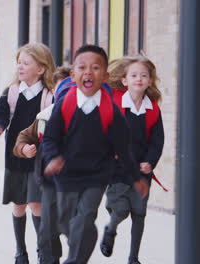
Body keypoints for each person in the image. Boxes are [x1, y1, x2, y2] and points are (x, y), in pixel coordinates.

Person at [41, 44, 149, 264]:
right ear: (73, 74)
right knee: (66, 222)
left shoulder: (111, 111)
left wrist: (136, 178)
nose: (88, 72)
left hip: (97, 175)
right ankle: (83, 242)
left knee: (86, 215)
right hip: (67, 174)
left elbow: (123, 148)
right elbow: (51, 138)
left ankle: (75, 260)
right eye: (82, 67)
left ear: (106, 76)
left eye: (95, 68)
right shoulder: (64, 105)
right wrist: (53, 158)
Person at [0, 42, 56, 264]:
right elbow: (0, 114)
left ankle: (43, 250)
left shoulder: (49, 95)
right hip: (15, 156)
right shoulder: (12, 92)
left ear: (41, 68)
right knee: (19, 204)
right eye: (18, 62)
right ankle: (20, 250)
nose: (20, 66)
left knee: (36, 204)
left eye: (26, 63)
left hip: (39, 158)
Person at [100, 56, 164, 264]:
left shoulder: (152, 109)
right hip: (118, 169)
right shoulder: (115, 105)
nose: (139, 78)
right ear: (125, 80)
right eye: (134, 75)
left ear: (149, 81)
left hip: (142, 171)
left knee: (139, 214)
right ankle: (111, 228)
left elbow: (157, 140)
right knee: (120, 209)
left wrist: (150, 162)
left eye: (144, 75)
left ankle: (133, 258)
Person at [13, 66, 71, 264]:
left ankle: (55, 248)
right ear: (54, 91)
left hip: (71, 181)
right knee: (42, 214)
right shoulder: (45, 116)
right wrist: (24, 148)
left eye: (71, 88)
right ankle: (48, 255)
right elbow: (23, 136)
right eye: (61, 88)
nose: (66, 92)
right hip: (44, 177)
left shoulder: (85, 115)